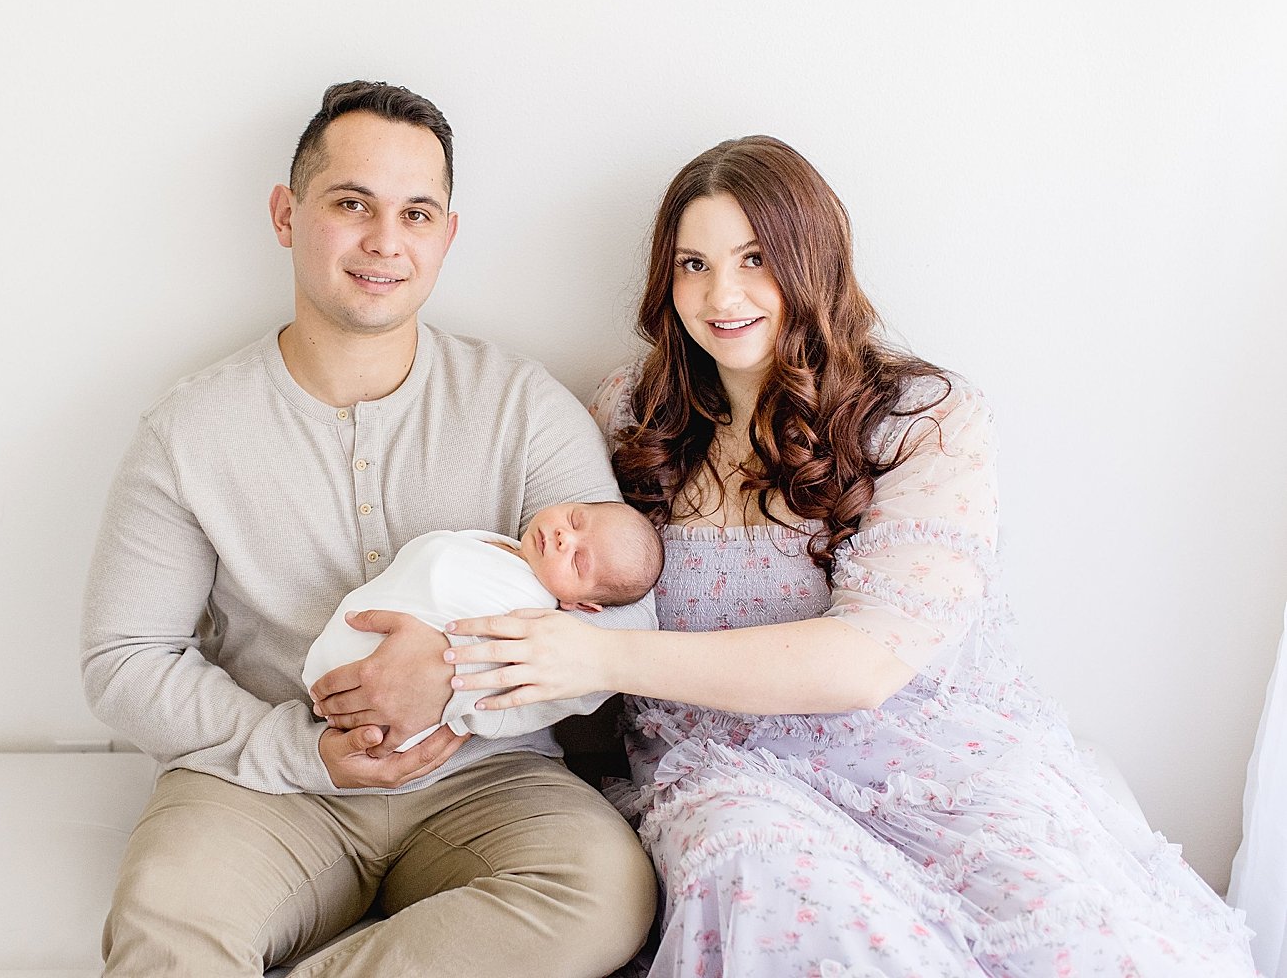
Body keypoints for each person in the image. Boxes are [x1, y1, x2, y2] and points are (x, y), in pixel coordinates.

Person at [442, 136, 1257, 976]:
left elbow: (866, 664)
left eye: (755, 257)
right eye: (693, 264)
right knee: (770, 880)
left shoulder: (925, 417)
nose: (721, 295)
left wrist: (601, 654)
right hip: (724, 770)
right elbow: (534, 569)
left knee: (1072, 935)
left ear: (813, 259)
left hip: (932, 760)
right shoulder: (630, 413)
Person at [80, 81, 656, 977]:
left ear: (446, 235)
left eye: (417, 213)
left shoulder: (523, 406)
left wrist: (453, 672)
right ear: (286, 213)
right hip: (262, 783)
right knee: (167, 933)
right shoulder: (189, 430)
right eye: (353, 204)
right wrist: (303, 750)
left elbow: (625, 623)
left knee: (607, 892)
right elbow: (125, 658)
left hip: (489, 779)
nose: (387, 241)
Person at [303, 500, 665, 752]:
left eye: (577, 560)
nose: (563, 538)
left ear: (581, 605)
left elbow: (495, 674)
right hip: (349, 646)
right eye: (574, 519)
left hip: (390, 713)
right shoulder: (506, 547)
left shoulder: (533, 616)